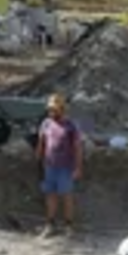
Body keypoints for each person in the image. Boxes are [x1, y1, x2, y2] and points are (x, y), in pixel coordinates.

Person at [36, 94, 84, 235]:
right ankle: (50, 224)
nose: (51, 112)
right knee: (50, 195)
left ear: (62, 109)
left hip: (65, 167)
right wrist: (38, 162)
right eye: (50, 110)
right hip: (49, 166)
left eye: (54, 110)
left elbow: (78, 148)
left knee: (66, 196)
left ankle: (68, 225)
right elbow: (41, 143)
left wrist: (78, 167)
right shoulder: (46, 123)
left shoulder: (71, 126)